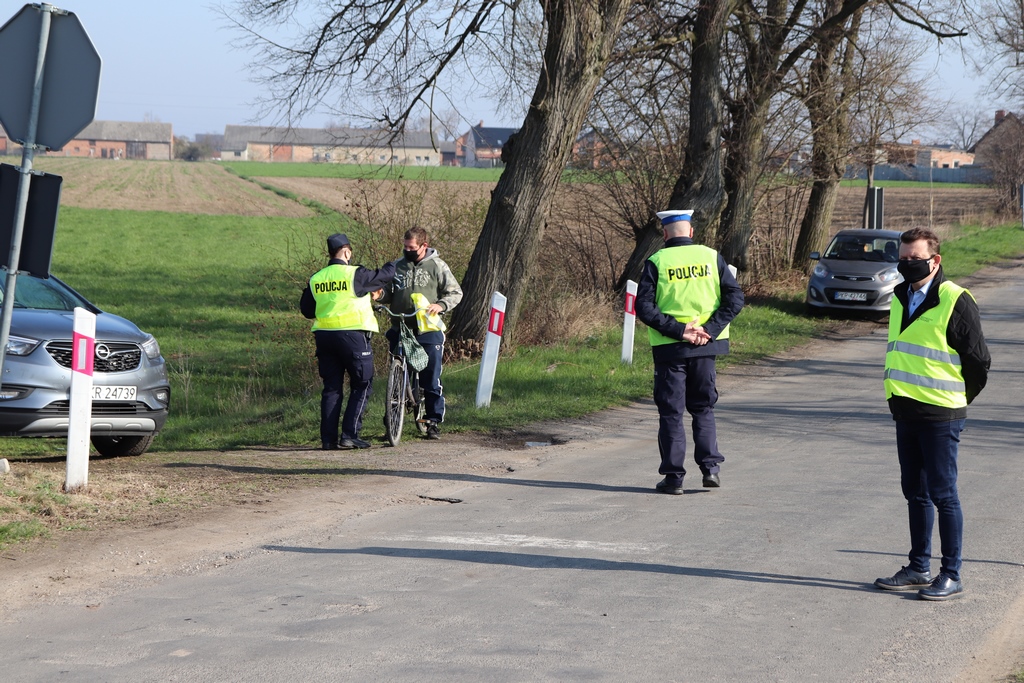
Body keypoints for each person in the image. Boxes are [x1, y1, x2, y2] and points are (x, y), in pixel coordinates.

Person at [874, 227, 990, 601]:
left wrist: (958, 399)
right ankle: (919, 567)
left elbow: (978, 361)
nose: (908, 264)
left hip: (941, 414)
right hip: (905, 411)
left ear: (935, 260)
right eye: (903, 258)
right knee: (915, 493)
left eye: (915, 258)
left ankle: (951, 573)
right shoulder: (899, 296)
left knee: (943, 494)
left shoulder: (955, 299)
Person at [635, 209, 745, 494]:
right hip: (705, 347)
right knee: (703, 408)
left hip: (670, 348)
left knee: (672, 413)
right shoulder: (711, 257)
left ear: (664, 234)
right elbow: (735, 299)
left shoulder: (657, 261)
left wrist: (679, 330)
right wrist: (709, 329)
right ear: (691, 232)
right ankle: (711, 470)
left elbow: (644, 308)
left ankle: (673, 479)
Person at [300, 233, 396, 450]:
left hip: (324, 337)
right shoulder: (356, 274)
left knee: (332, 388)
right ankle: (350, 435)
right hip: (353, 337)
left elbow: (307, 310)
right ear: (346, 251)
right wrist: (395, 263)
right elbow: (384, 275)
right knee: (363, 383)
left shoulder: (317, 278)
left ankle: (328, 440)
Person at [381, 226, 463, 440]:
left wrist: (441, 305)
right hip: (401, 327)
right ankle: (392, 419)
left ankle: (433, 419)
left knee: (431, 376)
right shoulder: (397, 267)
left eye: (412, 247)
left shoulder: (437, 265)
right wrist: (378, 296)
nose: (407, 250)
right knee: (397, 369)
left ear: (424, 246)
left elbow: (455, 292)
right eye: (405, 246)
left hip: (428, 329)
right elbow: (387, 293)